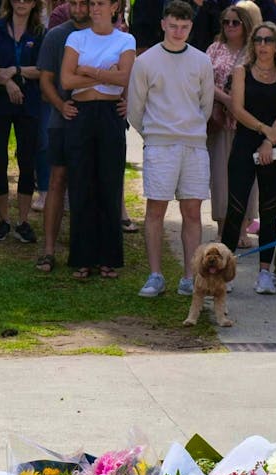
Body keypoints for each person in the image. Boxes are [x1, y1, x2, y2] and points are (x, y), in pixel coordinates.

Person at [127, 0, 213, 298]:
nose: (178, 32)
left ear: (191, 27)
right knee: (156, 210)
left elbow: (206, 105)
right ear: (163, 23)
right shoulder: (146, 61)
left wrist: (190, 131)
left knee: (192, 211)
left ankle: (190, 277)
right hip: (160, 146)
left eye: (185, 27)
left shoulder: (202, 61)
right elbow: (134, 109)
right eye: (173, 25)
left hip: (193, 146)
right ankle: (155, 275)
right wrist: (154, 135)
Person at [60, 0, 134, 279]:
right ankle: (82, 257)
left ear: (114, 7)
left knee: (109, 183)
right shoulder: (76, 37)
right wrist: (106, 75)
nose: (95, 9)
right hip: (81, 113)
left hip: (110, 114)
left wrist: (87, 71)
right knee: (80, 183)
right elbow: (66, 80)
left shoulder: (125, 39)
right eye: (92, 4)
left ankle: (108, 258)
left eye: (101, 3)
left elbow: (124, 77)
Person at [222, 22, 276, 294]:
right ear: (253, 44)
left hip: (274, 144)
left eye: (268, 40)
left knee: (270, 209)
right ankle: (225, 274)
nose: (263, 45)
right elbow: (237, 109)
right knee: (236, 208)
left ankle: (264, 274)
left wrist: (270, 140)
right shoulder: (242, 72)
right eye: (258, 40)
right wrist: (264, 131)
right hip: (246, 141)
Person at [0, 0, 44, 244]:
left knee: (27, 158)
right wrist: (5, 81)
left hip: (29, 101)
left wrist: (16, 71)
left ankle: (24, 220)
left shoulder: (40, 32)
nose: (22, 2)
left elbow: (42, 68)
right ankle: (5, 219)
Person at [34, 0, 88, 272]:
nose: (79, 8)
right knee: (57, 181)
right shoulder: (56, 35)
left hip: (96, 121)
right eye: (74, 2)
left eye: (84, 3)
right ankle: (48, 250)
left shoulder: (107, 35)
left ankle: (83, 252)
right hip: (61, 120)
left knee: (87, 186)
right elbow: (45, 81)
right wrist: (61, 105)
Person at [207, 4, 258, 251]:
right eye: (226, 22)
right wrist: (225, 99)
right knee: (219, 177)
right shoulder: (214, 49)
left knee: (246, 178)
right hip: (220, 122)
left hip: (247, 124)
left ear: (245, 24)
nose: (229, 26)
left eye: (235, 22)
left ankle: (242, 228)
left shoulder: (255, 51)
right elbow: (203, 80)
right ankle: (222, 228)